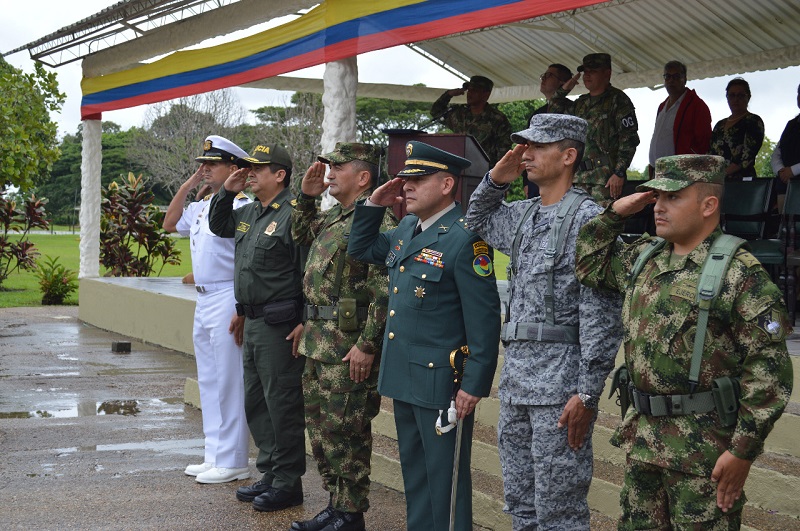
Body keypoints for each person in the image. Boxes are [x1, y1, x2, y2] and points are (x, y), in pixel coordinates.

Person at [575, 154, 793, 529]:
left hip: (703, 454)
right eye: (655, 197)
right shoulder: (645, 258)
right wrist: (615, 212)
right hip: (643, 440)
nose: (658, 206)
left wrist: (742, 451)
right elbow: (588, 263)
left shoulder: (740, 273)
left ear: (709, 205)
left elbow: (769, 373)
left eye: (672, 197)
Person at [465, 114, 622, 530]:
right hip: (517, 383)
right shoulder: (522, 214)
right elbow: (474, 223)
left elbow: (601, 316)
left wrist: (588, 393)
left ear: (568, 155)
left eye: (538, 147)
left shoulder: (589, 221)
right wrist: (495, 180)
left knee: (560, 510)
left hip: (559, 389)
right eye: (523, 146)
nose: (525, 154)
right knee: (521, 504)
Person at [347, 141, 502, 531]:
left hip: (442, 382)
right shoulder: (405, 228)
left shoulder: (466, 240)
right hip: (405, 374)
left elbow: (484, 321)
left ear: (448, 184)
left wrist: (473, 385)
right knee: (415, 476)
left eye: (417, 179)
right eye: (405, 179)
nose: (406, 186)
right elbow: (361, 248)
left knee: (445, 482)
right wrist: (373, 205)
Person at [290, 143, 396, 531]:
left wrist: (367, 345)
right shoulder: (337, 217)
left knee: (346, 430)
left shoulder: (376, 223)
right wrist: (306, 195)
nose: (329, 173)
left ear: (363, 177)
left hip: (348, 347)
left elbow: (384, 290)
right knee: (320, 430)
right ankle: (336, 504)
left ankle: (351, 514)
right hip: (320, 343)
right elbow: (299, 232)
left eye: (337, 168)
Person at [207, 143, 307, 512]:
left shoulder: (295, 214)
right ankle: (270, 470)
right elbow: (218, 225)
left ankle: (288, 481)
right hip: (252, 320)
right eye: (248, 167)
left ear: (280, 174)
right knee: (258, 399)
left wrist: (305, 321)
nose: (250, 172)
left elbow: (306, 274)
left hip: (281, 323)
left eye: (258, 168)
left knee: (282, 401)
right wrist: (227, 191)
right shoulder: (249, 211)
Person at [162, 135, 252, 484]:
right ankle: (214, 453)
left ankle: (233, 460)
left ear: (235, 168)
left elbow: (247, 258)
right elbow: (170, 224)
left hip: (228, 294)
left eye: (212, 165)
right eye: (203, 165)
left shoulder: (242, 204)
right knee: (211, 381)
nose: (206, 169)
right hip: (203, 298)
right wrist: (189, 184)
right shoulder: (203, 205)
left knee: (230, 382)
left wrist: (242, 305)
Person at [550, 53, 640, 206]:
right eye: (585, 72)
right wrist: (567, 87)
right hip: (579, 178)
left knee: (602, 224)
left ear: (607, 73)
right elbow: (554, 108)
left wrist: (619, 173)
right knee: (576, 224)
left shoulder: (618, 100)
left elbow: (629, 139)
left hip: (605, 179)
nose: (587, 75)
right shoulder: (581, 103)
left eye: (593, 71)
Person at [430, 75, 513, 166]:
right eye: (469, 90)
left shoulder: (497, 119)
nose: (470, 93)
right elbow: (436, 112)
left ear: (486, 94)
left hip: (484, 171)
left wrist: (496, 174)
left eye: (475, 90)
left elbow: (503, 150)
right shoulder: (459, 114)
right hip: (459, 168)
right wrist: (449, 94)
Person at [648, 60, 712, 177]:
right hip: (658, 172)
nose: (671, 80)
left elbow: (703, 142)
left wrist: (688, 168)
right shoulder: (662, 107)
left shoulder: (697, 106)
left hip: (681, 173)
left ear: (685, 79)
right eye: (668, 76)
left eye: (676, 76)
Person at [523, 64, 574, 199]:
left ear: (563, 83)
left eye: (549, 75)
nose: (543, 79)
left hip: (559, 176)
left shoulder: (572, 110)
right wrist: (526, 180)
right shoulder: (538, 113)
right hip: (536, 176)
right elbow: (527, 146)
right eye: (543, 75)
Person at [709, 77, 765, 180]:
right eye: (732, 95)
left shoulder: (753, 121)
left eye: (740, 95)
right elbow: (711, 154)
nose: (736, 99)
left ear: (748, 97)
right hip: (718, 182)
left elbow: (747, 157)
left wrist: (722, 174)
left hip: (742, 181)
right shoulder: (719, 125)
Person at [771, 82, 800, 212]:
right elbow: (776, 154)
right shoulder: (791, 124)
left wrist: (793, 171)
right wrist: (782, 172)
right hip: (785, 185)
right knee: (786, 227)